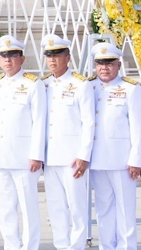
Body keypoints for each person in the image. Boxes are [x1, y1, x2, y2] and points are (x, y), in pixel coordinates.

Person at [88, 41, 141, 250]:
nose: (104, 67)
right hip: (97, 159)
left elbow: (138, 127)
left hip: (123, 160)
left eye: (109, 63)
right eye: (100, 63)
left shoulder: (130, 89)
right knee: (103, 209)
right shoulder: (90, 87)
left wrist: (136, 159)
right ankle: (107, 246)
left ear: (118, 64)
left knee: (125, 209)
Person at [0, 35, 45, 250]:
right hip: (2, 156)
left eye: (12, 55)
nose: (8, 60)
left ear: (22, 59)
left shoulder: (32, 84)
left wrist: (36, 154)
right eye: (3, 56)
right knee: (5, 207)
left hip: (24, 157)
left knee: (28, 207)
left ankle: (30, 246)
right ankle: (11, 245)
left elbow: (39, 121)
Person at [40, 34, 95, 250]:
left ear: (68, 57)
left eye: (58, 55)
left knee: (77, 208)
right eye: (49, 55)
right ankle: (61, 246)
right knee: (56, 208)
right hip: (51, 157)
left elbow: (89, 122)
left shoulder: (80, 84)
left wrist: (84, 155)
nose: (53, 60)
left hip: (73, 157)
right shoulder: (43, 85)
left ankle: (77, 246)